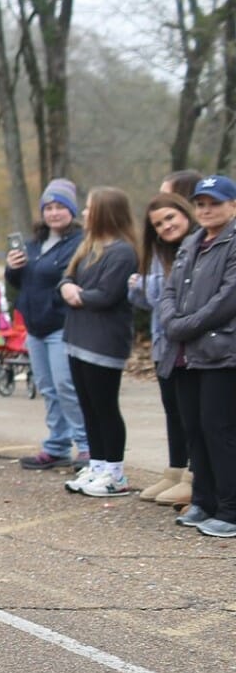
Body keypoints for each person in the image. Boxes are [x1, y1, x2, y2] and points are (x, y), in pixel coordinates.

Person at [161, 175, 236, 538]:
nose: (206, 210)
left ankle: (230, 509)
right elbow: (169, 289)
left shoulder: (233, 241)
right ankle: (203, 500)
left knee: (218, 429)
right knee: (194, 429)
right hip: (185, 353)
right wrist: (171, 320)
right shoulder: (192, 241)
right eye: (201, 203)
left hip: (222, 353)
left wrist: (184, 325)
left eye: (215, 203)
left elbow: (227, 298)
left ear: (232, 205)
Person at [56, 188, 139, 497]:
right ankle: (99, 464)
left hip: (104, 343)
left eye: (90, 208)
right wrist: (66, 287)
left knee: (105, 407)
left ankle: (115, 472)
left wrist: (78, 295)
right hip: (78, 338)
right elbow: (67, 277)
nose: (84, 213)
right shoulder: (87, 245)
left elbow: (107, 294)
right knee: (88, 407)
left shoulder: (123, 252)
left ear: (105, 212)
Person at [6, 179, 89, 471]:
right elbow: (21, 282)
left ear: (71, 211)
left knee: (66, 385)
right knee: (47, 387)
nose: (53, 214)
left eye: (60, 207)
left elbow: (69, 280)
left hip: (60, 324)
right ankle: (57, 444)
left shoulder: (78, 244)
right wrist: (12, 267)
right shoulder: (35, 243)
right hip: (35, 326)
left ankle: (87, 446)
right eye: (48, 208)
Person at [131, 194, 199, 508]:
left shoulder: (203, 247)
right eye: (158, 224)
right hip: (165, 345)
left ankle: (195, 477)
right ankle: (175, 470)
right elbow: (146, 297)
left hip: (195, 346)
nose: (166, 226)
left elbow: (162, 294)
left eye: (170, 218)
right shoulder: (161, 252)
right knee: (174, 411)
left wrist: (143, 285)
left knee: (198, 417)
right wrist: (140, 286)